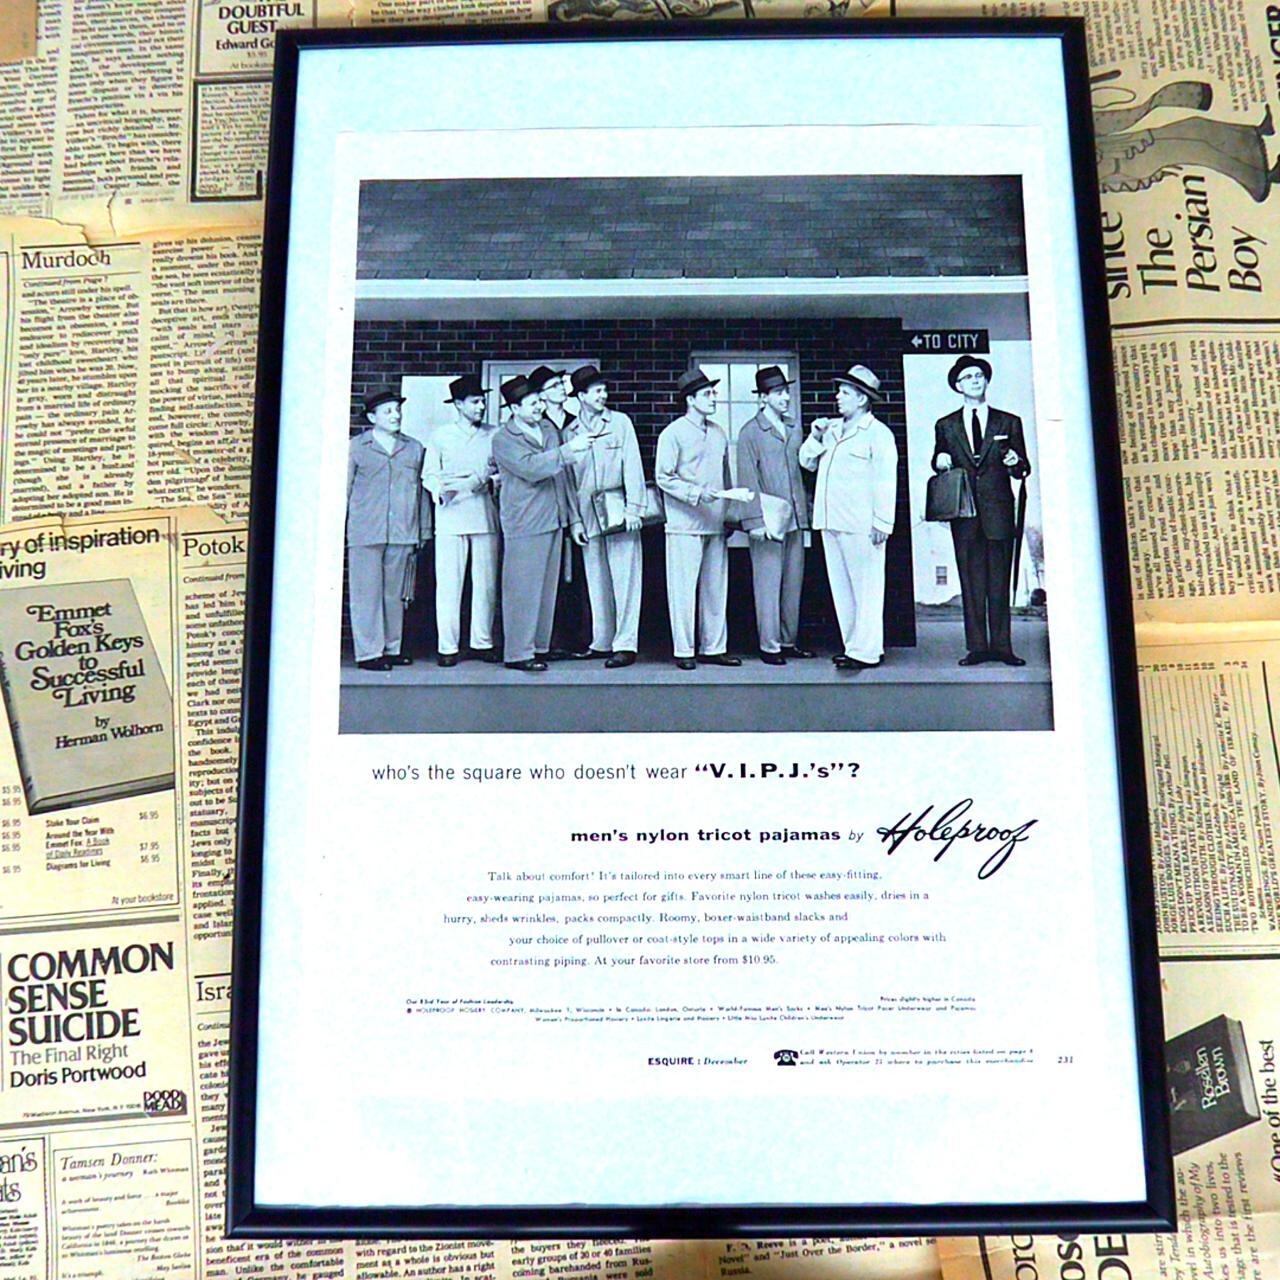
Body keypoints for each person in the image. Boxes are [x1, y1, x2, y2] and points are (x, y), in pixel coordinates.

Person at [932, 355, 1032, 667]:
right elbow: (938, 459)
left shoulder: (1009, 422)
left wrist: (1016, 463)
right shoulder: (946, 425)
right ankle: (977, 648)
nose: (975, 380)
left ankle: (1002, 647)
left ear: (986, 381)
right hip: (964, 514)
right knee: (971, 582)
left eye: (979, 375)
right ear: (957, 386)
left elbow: (1023, 469)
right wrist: (940, 461)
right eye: (968, 377)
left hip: (999, 512)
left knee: (999, 582)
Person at [799, 365, 897, 673]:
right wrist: (815, 435)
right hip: (831, 520)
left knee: (866, 589)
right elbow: (806, 461)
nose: (838, 397)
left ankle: (867, 651)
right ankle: (853, 647)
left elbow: (886, 480)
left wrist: (883, 522)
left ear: (862, 399)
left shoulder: (878, 434)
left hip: (861, 524)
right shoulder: (831, 430)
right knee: (842, 589)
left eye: (845, 392)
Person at [492, 374, 590, 672]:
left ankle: (539, 647)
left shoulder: (547, 429)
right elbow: (531, 469)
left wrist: (572, 517)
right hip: (524, 521)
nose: (539, 408)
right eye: (532, 404)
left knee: (546, 590)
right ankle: (518, 652)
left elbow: (562, 477)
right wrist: (567, 452)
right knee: (522, 589)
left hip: (553, 518)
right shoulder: (504, 439)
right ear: (514, 408)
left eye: (539, 402)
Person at [655, 369, 751, 671]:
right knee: (683, 590)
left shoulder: (718, 433)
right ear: (690, 399)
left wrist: (729, 513)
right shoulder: (672, 434)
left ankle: (714, 647)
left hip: (715, 523)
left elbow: (726, 477)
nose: (713, 399)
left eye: (713, 393)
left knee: (715, 588)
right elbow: (663, 477)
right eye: (707, 394)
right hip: (684, 524)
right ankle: (684, 649)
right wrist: (695, 493)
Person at [564, 364, 645, 669]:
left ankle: (625, 645)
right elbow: (568, 482)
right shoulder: (569, 433)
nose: (604, 395)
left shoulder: (620, 423)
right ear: (581, 396)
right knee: (596, 581)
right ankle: (602, 641)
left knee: (626, 581)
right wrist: (574, 521)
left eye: (604, 390)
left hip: (619, 512)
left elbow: (633, 466)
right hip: (588, 515)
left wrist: (635, 508)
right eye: (597, 391)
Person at [346, 386, 429, 672]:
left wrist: (423, 530)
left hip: (403, 531)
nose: (396, 416)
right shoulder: (356, 447)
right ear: (372, 417)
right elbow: (343, 490)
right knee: (366, 594)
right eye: (388, 411)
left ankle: (392, 648)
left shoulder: (414, 448)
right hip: (365, 531)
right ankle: (369, 653)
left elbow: (421, 492)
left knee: (394, 595)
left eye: (398, 410)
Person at [736, 366, 814, 666]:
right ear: (763, 398)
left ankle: (788, 641)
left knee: (793, 583)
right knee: (768, 586)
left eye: (786, 392)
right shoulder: (750, 432)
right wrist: (753, 522)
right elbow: (747, 480)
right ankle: (769, 646)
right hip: (767, 521)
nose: (785, 398)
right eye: (779, 393)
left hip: (796, 517)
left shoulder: (794, 428)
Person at [423, 374, 501, 667]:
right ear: (458, 404)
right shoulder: (441, 436)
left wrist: (488, 481)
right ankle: (448, 647)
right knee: (449, 585)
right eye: (475, 402)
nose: (481, 407)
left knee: (486, 585)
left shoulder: (494, 435)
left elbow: (504, 472)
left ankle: (482, 643)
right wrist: (440, 490)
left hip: (484, 517)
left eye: (482, 401)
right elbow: (429, 474)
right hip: (450, 518)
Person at [531, 365, 592, 661]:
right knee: (545, 578)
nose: (561, 388)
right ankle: (547, 641)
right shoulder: (535, 425)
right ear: (540, 395)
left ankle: (576, 639)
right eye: (553, 385)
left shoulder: (574, 422)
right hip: (546, 506)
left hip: (579, 505)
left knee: (576, 576)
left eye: (560, 383)